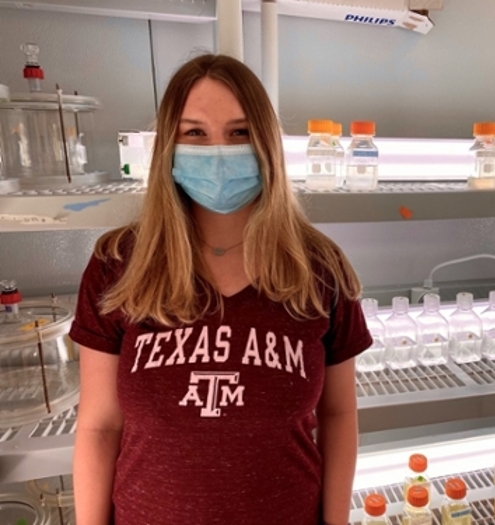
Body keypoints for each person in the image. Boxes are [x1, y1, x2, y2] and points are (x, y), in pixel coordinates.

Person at [69, 54, 373, 525]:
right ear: (169, 145)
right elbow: (99, 426)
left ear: (266, 144)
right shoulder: (118, 265)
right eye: (195, 133)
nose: (218, 151)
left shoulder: (320, 269)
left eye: (239, 132)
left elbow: (338, 416)